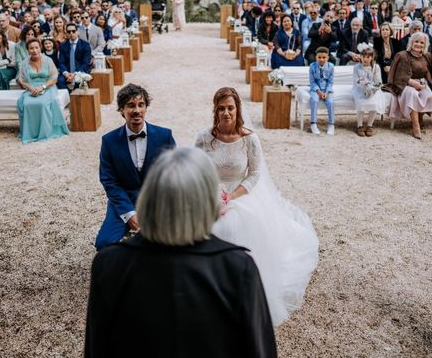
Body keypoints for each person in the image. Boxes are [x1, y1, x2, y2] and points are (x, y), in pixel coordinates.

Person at [85, 146, 277, 358]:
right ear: (208, 202)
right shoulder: (237, 269)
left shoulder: (109, 265)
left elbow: (97, 348)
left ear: (149, 198)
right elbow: (259, 349)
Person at [194, 87, 317, 326]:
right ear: (215, 111)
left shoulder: (249, 138)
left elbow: (254, 174)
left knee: (234, 224)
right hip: (209, 191)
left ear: (237, 108)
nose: (226, 113)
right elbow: (196, 168)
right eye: (221, 109)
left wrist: (231, 198)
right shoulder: (203, 137)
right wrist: (212, 193)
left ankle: (238, 285)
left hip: (241, 193)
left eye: (230, 107)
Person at [95, 84, 176, 250]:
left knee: (171, 243)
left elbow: (174, 173)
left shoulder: (164, 136)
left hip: (157, 200)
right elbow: (109, 181)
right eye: (131, 105)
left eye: (141, 105)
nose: (137, 110)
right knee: (104, 244)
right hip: (124, 202)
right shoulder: (109, 141)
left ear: (146, 107)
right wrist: (129, 214)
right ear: (121, 110)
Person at [16, 38, 69, 144]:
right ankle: (31, 133)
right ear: (28, 50)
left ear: (40, 48)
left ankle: (45, 132)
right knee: (26, 103)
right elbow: (21, 80)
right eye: (31, 48)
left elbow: (54, 78)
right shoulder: (24, 63)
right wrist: (30, 88)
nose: (34, 50)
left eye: (36, 47)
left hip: (48, 87)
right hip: (31, 88)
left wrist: (43, 87)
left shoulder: (48, 60)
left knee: (42, 103)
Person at [385, 32, 432, 139]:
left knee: (429, 95)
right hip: (404, 84)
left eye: (422, 42)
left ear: (425, 45)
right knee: (412, 94)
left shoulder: (427, 56)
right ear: (411, 42)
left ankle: (420, 118)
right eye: (416, 41)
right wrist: (414, 83)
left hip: (421, 82)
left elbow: (427, 72)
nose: (418, 44)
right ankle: (415, 125)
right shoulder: (403, 55)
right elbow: (399, 76)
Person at [352, 45, 386, 137]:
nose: (365, 59)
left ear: (372, 57)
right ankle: (359, 125)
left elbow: (378, 82)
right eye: (363, 56)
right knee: (361, 102)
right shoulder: (357, 67)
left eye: (368, 57)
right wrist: (363, 86)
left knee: (374, 103)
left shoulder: (376, 67)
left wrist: (371, 90)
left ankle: (369, 125)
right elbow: (356, 81)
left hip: (373, 89)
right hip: (360, 89)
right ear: (360, 56)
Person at [309, 47, 335, 135]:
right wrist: (319, 92)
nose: (321, 59)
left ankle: (331, 124)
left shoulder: (331, 66)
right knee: (314, 100)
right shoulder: (312, 66)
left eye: (324, 57)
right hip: (316, 89)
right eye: (319, 57)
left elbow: (330, 82)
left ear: (327, 58)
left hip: (327, 89)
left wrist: (326, 92)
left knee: (330, 102)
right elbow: (312, 82)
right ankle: (313, 123)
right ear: (316, 57)